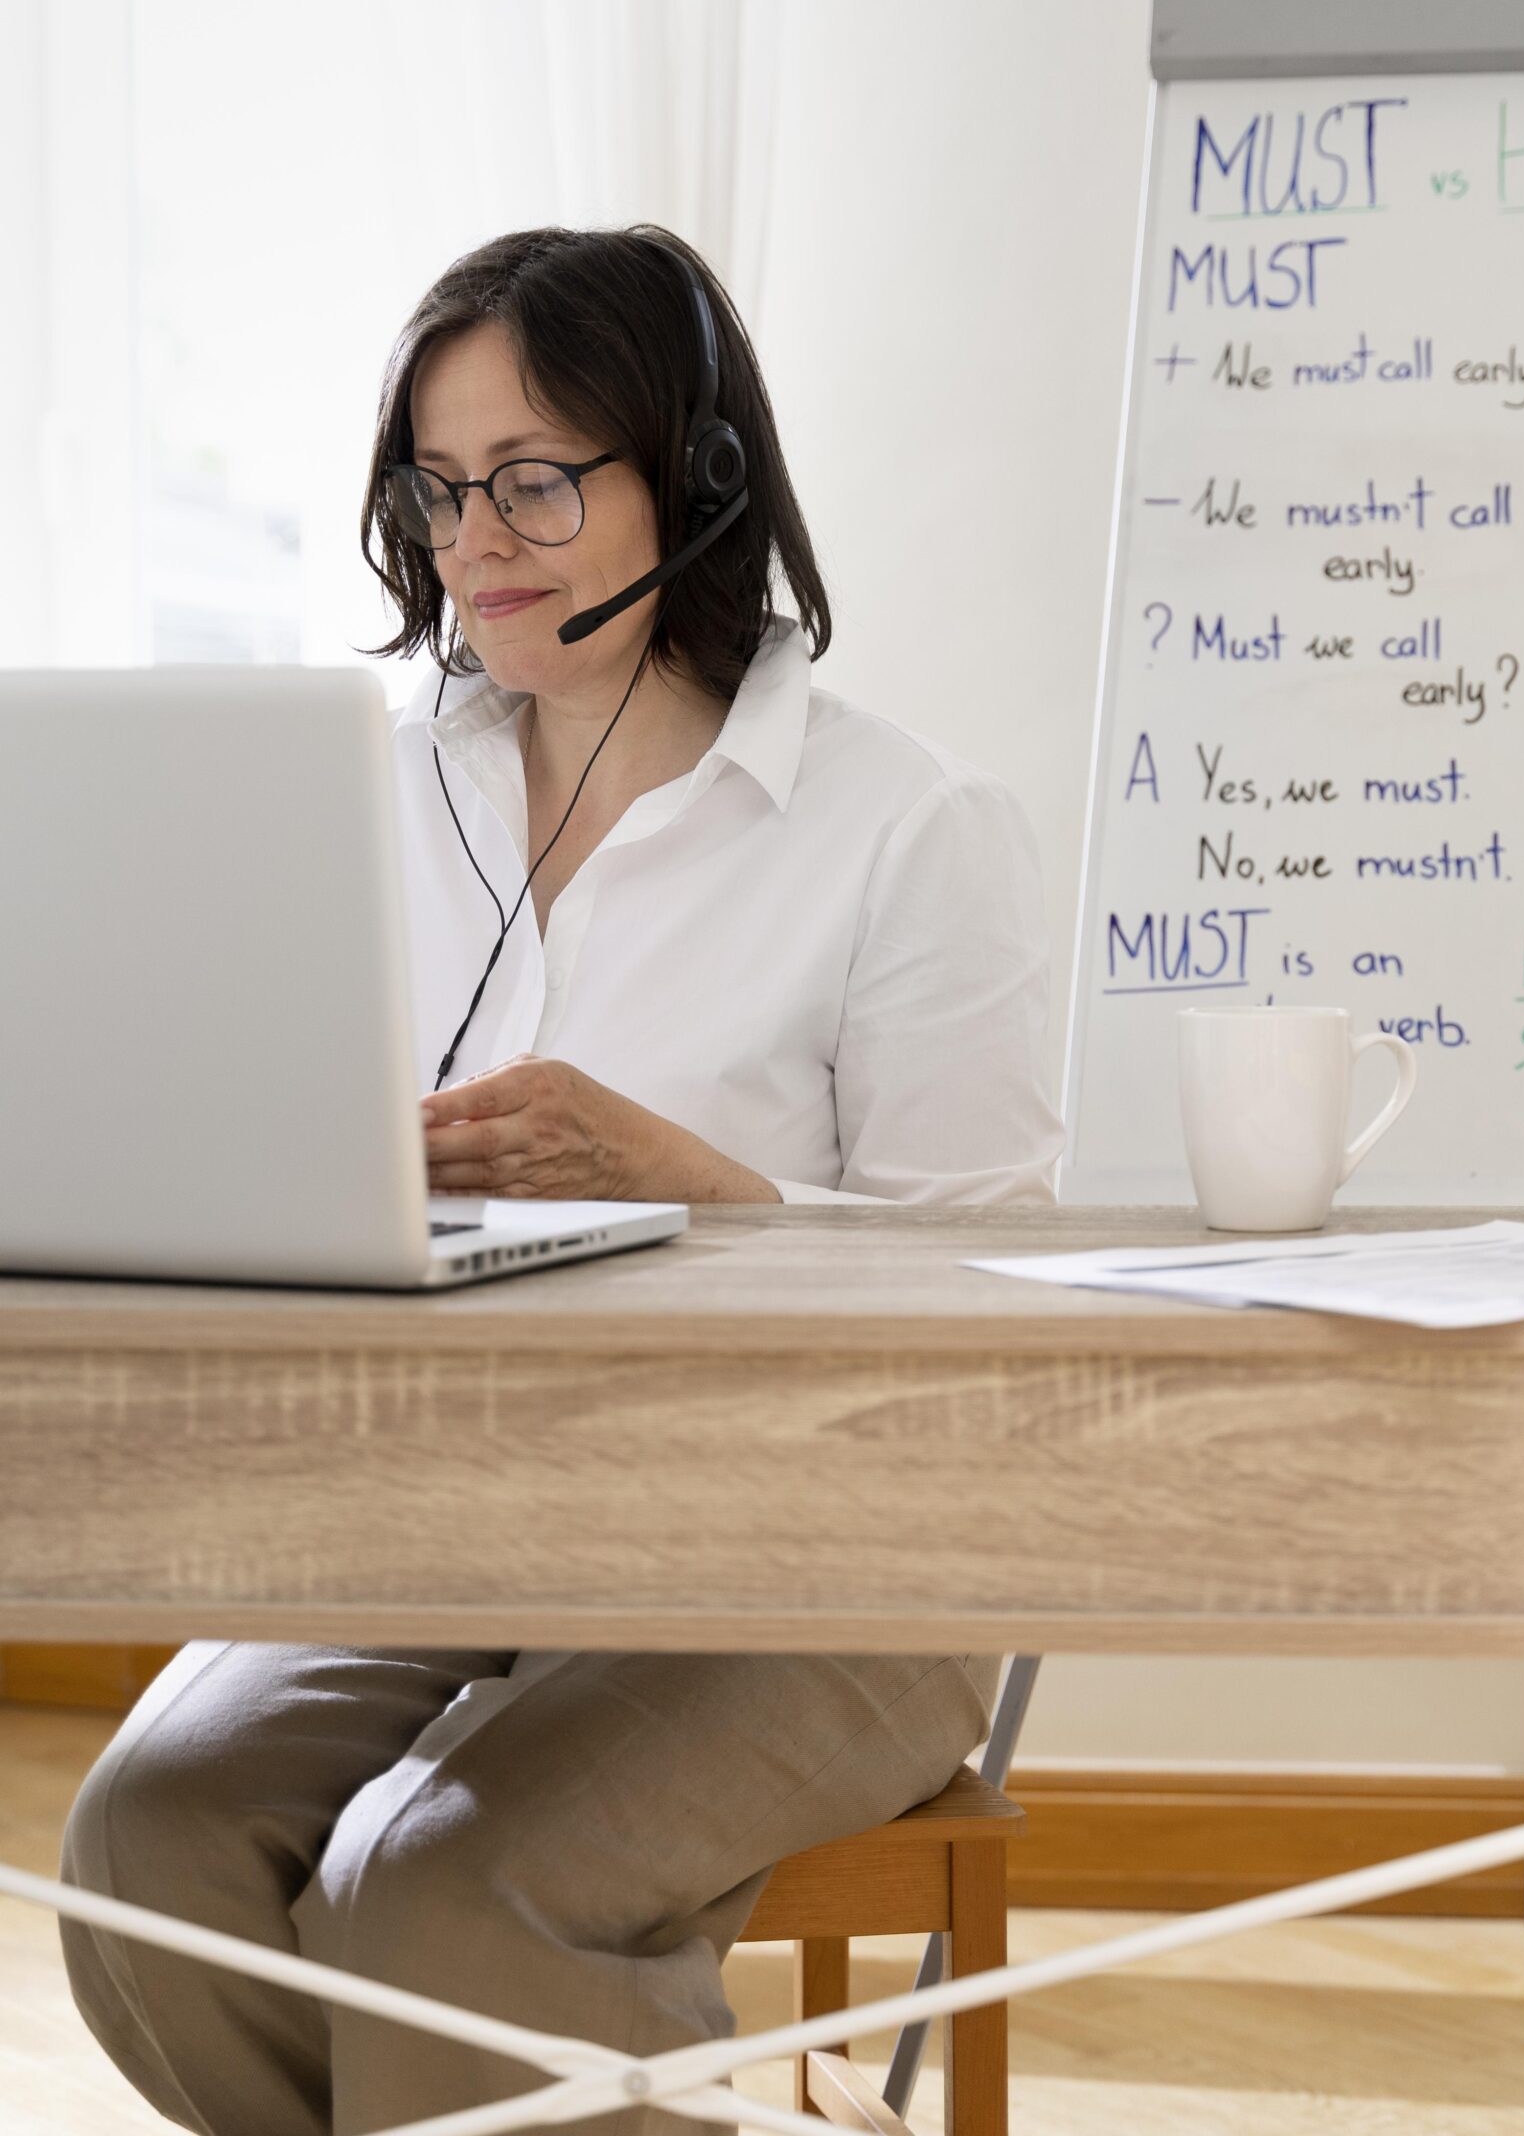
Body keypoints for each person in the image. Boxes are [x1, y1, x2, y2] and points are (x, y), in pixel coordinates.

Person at [59, 223, 1064, 2136]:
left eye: (533, 480)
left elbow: (992, 1309)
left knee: (441, 1893)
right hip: (441, 1523)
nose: (477, 538)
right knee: (148, 1848)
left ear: (694, 482)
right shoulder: (365, 791)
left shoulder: (908, 827)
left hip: (829, 1560)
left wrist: (695, 1186)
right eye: (440, 490)